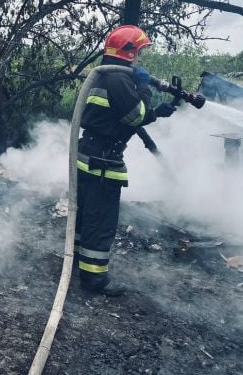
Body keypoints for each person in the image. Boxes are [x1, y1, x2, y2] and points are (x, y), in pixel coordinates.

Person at [74, 25, 176, 296]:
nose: (140, 58)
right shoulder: (119, 80)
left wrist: (157, 113)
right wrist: (144, 88)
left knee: (85, 216)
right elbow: (134, 116)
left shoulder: (103, 76)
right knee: (101, 220)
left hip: (89, 154)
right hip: (102, 162)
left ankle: (77, 264)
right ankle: (94, 279)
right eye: (139, 52)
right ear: (129, 52)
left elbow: (116, 116)